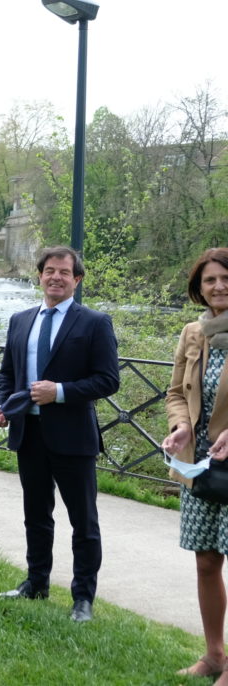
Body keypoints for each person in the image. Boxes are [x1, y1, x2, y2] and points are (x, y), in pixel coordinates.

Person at [0, 246, 119, 622]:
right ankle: (36, 583)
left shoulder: (94, 322)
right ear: (40, 276)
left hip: (73, 437)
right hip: (28, 432)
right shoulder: (20, 320)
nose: (56, 277)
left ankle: (83, 599)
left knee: (84, 520)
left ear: (77, 279)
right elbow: (7, 375)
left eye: (64, 271)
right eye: (49, 271)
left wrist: (59, 392)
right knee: (36, 513)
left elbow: (108, 380)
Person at [162, 248, 228, 681]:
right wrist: (182, 427)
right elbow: (174, 394)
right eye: (210, 280)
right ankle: (214, 656)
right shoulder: (193, 332)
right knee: (206, 561)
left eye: (226, 278)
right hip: (202, 467)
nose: (219, 286)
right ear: (198, 289)